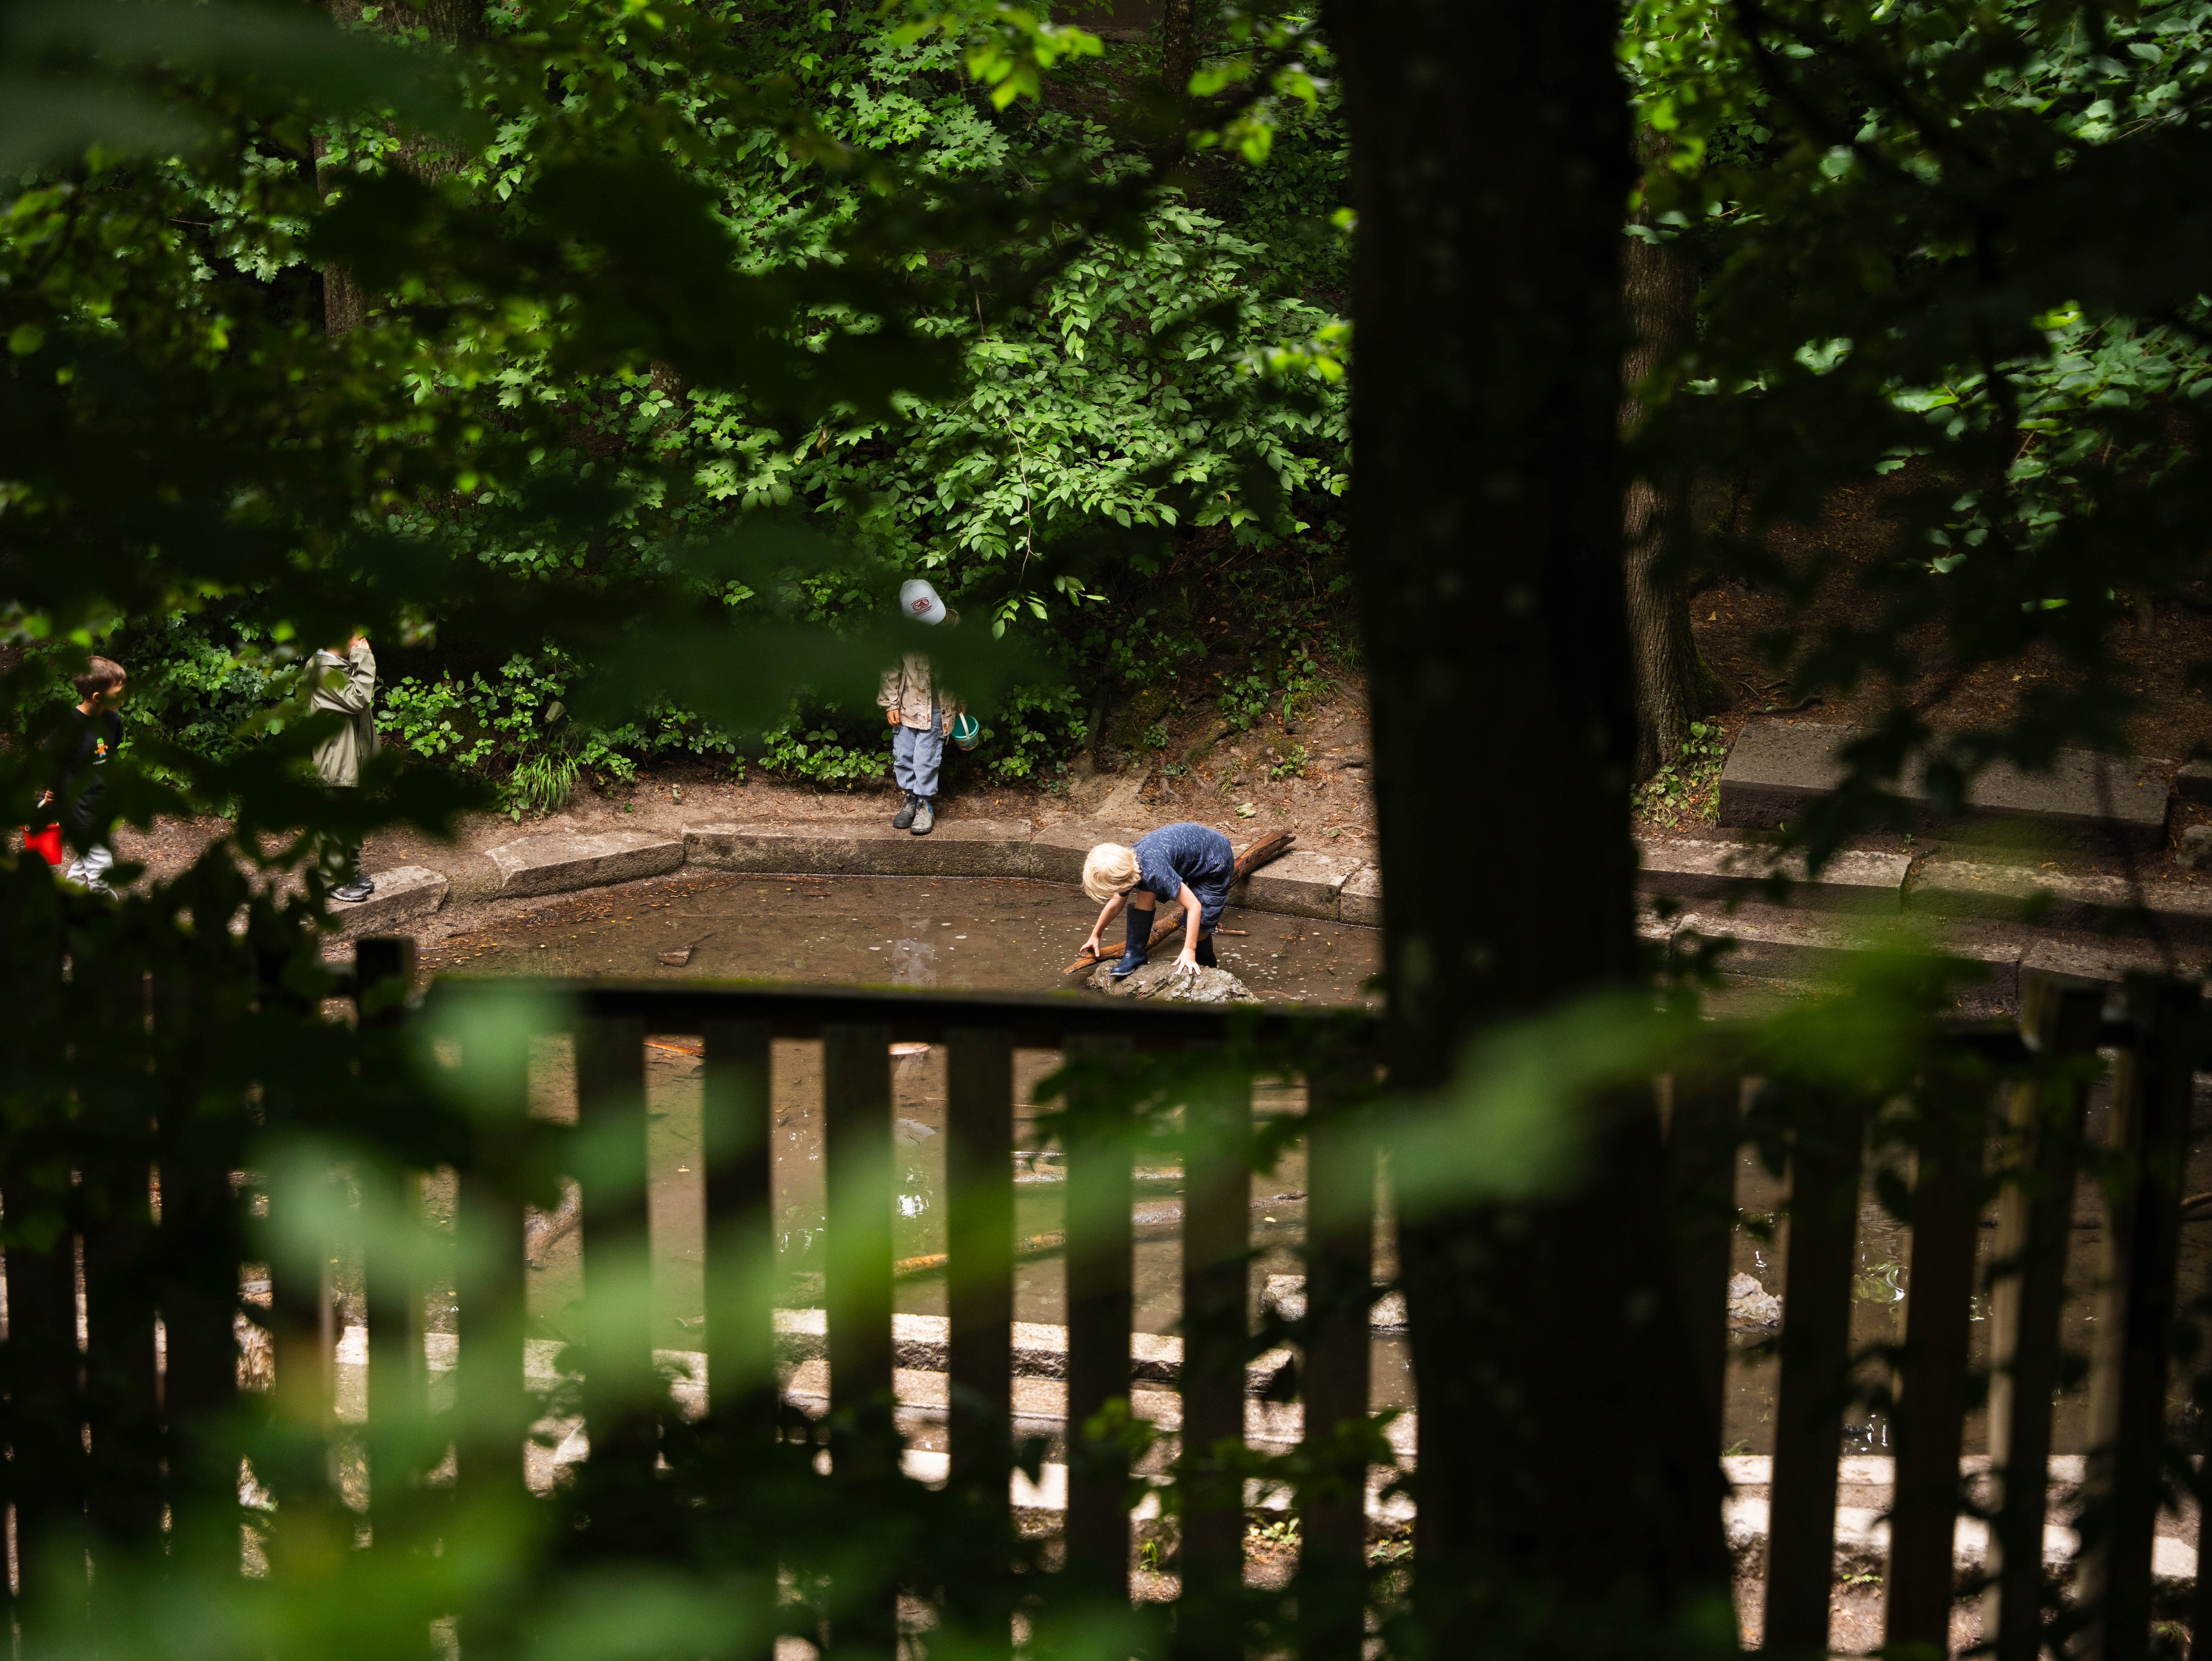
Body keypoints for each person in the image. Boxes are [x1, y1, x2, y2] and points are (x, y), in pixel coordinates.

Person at [1080, 822, 1236, 979]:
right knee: (1146, 892)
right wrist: (1096, 934)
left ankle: (1207, 966)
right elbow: (1116, 903)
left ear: (1123, 880)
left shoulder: (1155, 871)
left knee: (1202, 923)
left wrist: (1189, 949)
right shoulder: (1126, 864)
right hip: (1192, 851)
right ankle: (1134, 954)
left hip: (1215, 860)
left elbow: (1194, 906)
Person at [878, 579, 965, 837]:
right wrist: (890, 703)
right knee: (904, 754)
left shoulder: (953, 626)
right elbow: (890, 669)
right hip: (907, 704)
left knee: (926, 759)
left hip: (940, 705)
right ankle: (910, 798)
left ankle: (925, 802)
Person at [36, 655, 129, 896]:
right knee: (101, 869)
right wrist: (52, 793)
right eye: (119, 692)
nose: (124, 697)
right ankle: (107, 917)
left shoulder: (113, 721)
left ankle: (66, 902)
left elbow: (108, 757)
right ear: (98, 697)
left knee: (82, 866)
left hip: (100, 804)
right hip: (78, 810)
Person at [311, 631, 379, 903]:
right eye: (358, 638)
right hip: (335, 758)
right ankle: (331, 881)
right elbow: (358, 699)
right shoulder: (323, 672)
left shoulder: (340, 667)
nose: (363, 644)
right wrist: (365, 660)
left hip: (350, 757)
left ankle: (350, 872)